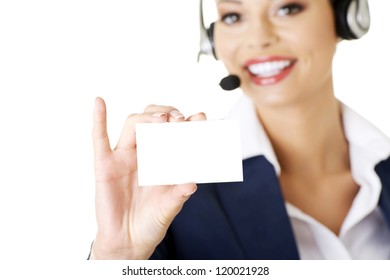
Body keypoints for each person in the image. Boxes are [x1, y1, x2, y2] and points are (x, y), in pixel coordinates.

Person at [89, 0, 390, 260]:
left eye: (287, 8)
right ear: (211, 39)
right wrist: (116, 258)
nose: (258, 39)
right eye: (233, 16)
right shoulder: (174, 196)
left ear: (345, 17)